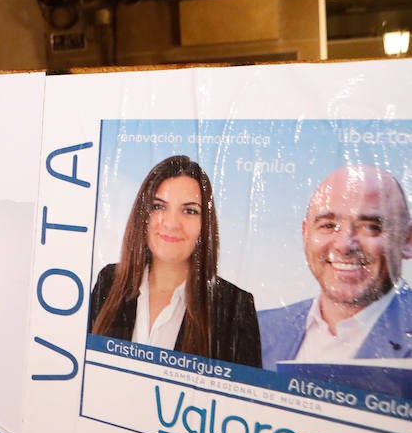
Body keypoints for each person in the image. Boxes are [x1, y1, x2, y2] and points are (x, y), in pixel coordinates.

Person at [89, 155, 260, 366]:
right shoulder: (110, 281)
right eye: (158, 206)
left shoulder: (235, 307)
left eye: (189, 211)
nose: (171, 223)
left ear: (205, 225)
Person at [259, 164, 412, 369]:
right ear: (306, 234)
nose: (344, 245)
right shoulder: (257, 329)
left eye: (371, 227)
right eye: (328, 226)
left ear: (407, 241)